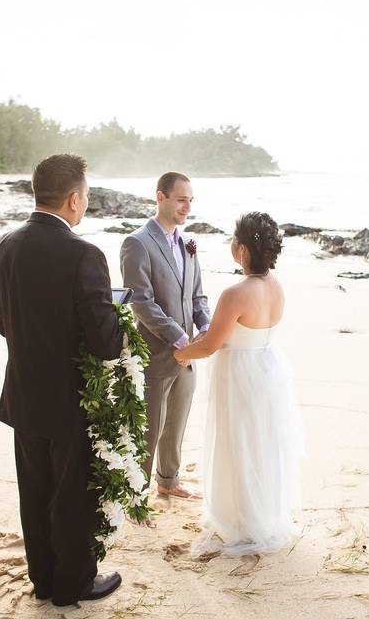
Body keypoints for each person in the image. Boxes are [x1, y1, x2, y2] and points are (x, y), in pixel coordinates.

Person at [0, 154, 123, 606]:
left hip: (23, 393)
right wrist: (123, 323)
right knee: (72, 496)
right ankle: (75, 584)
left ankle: (43, 580)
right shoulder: (84, 254)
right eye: (84, 197)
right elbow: (105, 341)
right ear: (74, 199)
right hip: (70, 398)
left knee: (35, 493)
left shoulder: (2, 245)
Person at [173, 212, 303, 556]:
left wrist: (181, 355)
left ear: (242, 251)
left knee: (237, 443)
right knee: (261, 443)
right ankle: (262, 513)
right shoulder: (276, 286)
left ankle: (239, 519)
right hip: (268, 369)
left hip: (239, 374)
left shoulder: (235, 293)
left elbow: (211, 344)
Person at [120, 172, 211, 501]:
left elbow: (197, 296)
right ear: (160, 197)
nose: (187, 207)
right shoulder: (137, 243)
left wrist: (206, 328)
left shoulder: (188, 245)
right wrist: (179, 338)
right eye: (181, 199)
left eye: (190, 200)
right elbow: (140, 302)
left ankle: (168, 481)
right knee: (149, 429)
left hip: (189, 355)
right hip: (157, 353)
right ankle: (137, 496)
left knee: (176, 422)